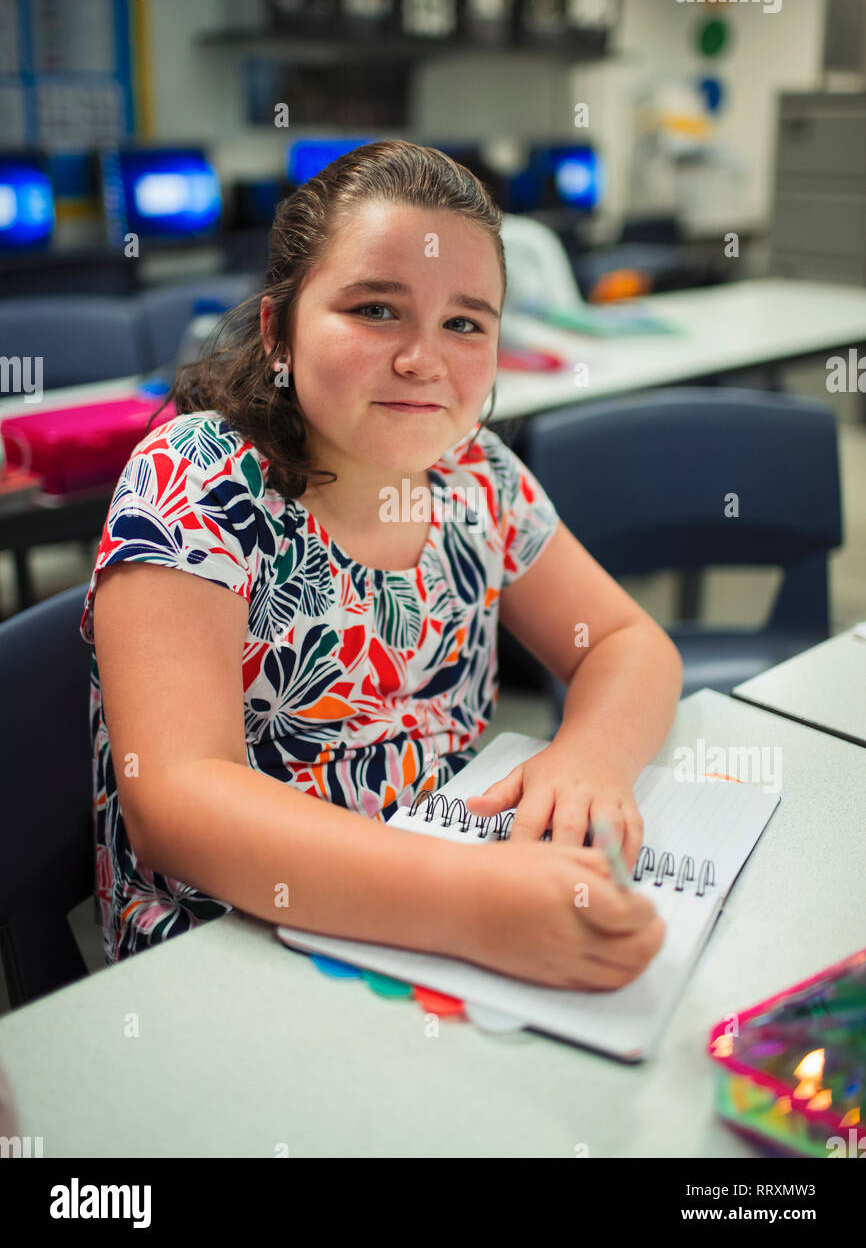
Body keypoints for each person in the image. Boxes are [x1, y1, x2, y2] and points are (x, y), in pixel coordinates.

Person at [81, 141, 681, 988]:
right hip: (234, 945)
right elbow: (176, 801)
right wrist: (472, 902)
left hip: (448, 887)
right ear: (277, 331)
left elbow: (624, 638)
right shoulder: (196, 479)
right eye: (374, 310)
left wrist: (592, 756)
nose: (422, 360)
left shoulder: (476, 475)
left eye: (465, 322)